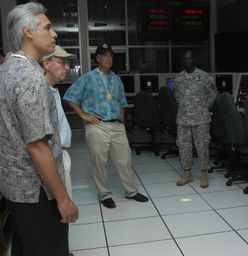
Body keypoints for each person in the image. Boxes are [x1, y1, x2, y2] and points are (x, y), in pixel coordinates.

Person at [0, 2, 78, 256]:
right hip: (38, 192)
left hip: (14, 189)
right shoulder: (31, 79)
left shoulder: (6, 70)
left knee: (24, 248)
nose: (54, 33)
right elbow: (37, 144)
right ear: (28, 32)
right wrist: (63, 200)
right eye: (48, 27)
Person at [63, 42, 148, 209]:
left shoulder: (117, 79)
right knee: (99, 163)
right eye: (105, 56)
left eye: (111, 56)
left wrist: (122, 123)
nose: (109, 59)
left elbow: (122, 103)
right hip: (97, 126)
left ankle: (131, 191)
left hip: (117, 126)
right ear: (98, 58)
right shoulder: (88, 78)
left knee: (125, 160)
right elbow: (69, 96)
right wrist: (83, 114)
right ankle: (105, 195)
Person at [174, 50, 217, 188]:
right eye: (185, 59)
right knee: (184, 147)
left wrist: (204, 107)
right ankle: (187, 174)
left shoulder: (204, 76)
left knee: (202, 146)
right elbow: (177, 96)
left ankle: (204, 174)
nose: (188, 61)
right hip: (183, 119)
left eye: (190, 58)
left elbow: (212, 94)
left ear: (194, 60)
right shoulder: (179, 78)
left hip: (201, 119)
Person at [42, 45, 76, 199]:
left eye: (67, 63)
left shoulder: (52, 90)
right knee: (61, 206)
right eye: (62, 62)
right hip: (52, 158)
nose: (67, 67)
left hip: (60, 154)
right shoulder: (41, 93)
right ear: (46, 64)